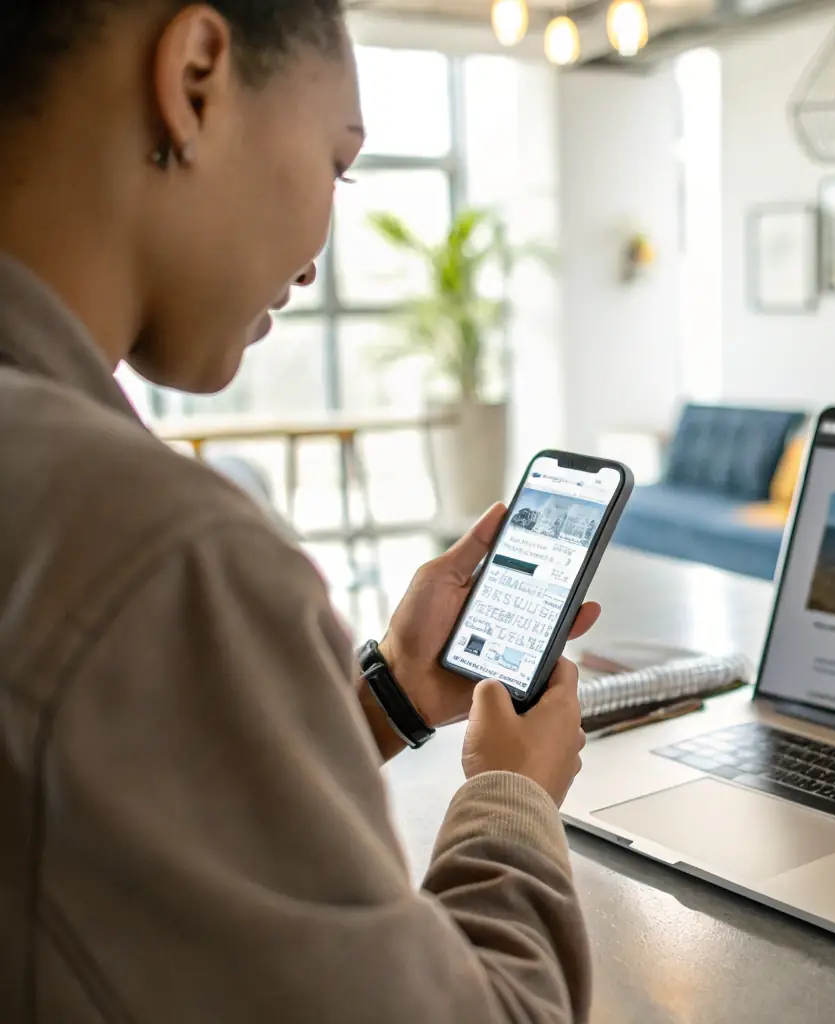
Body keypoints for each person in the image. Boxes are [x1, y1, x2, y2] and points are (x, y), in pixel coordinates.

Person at [0, 3, 598, 1021]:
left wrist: (393, 693)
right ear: (195, 79)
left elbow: (112, 824)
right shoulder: (155, 551)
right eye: (340, 163)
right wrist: (514, 795)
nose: (320, 254)